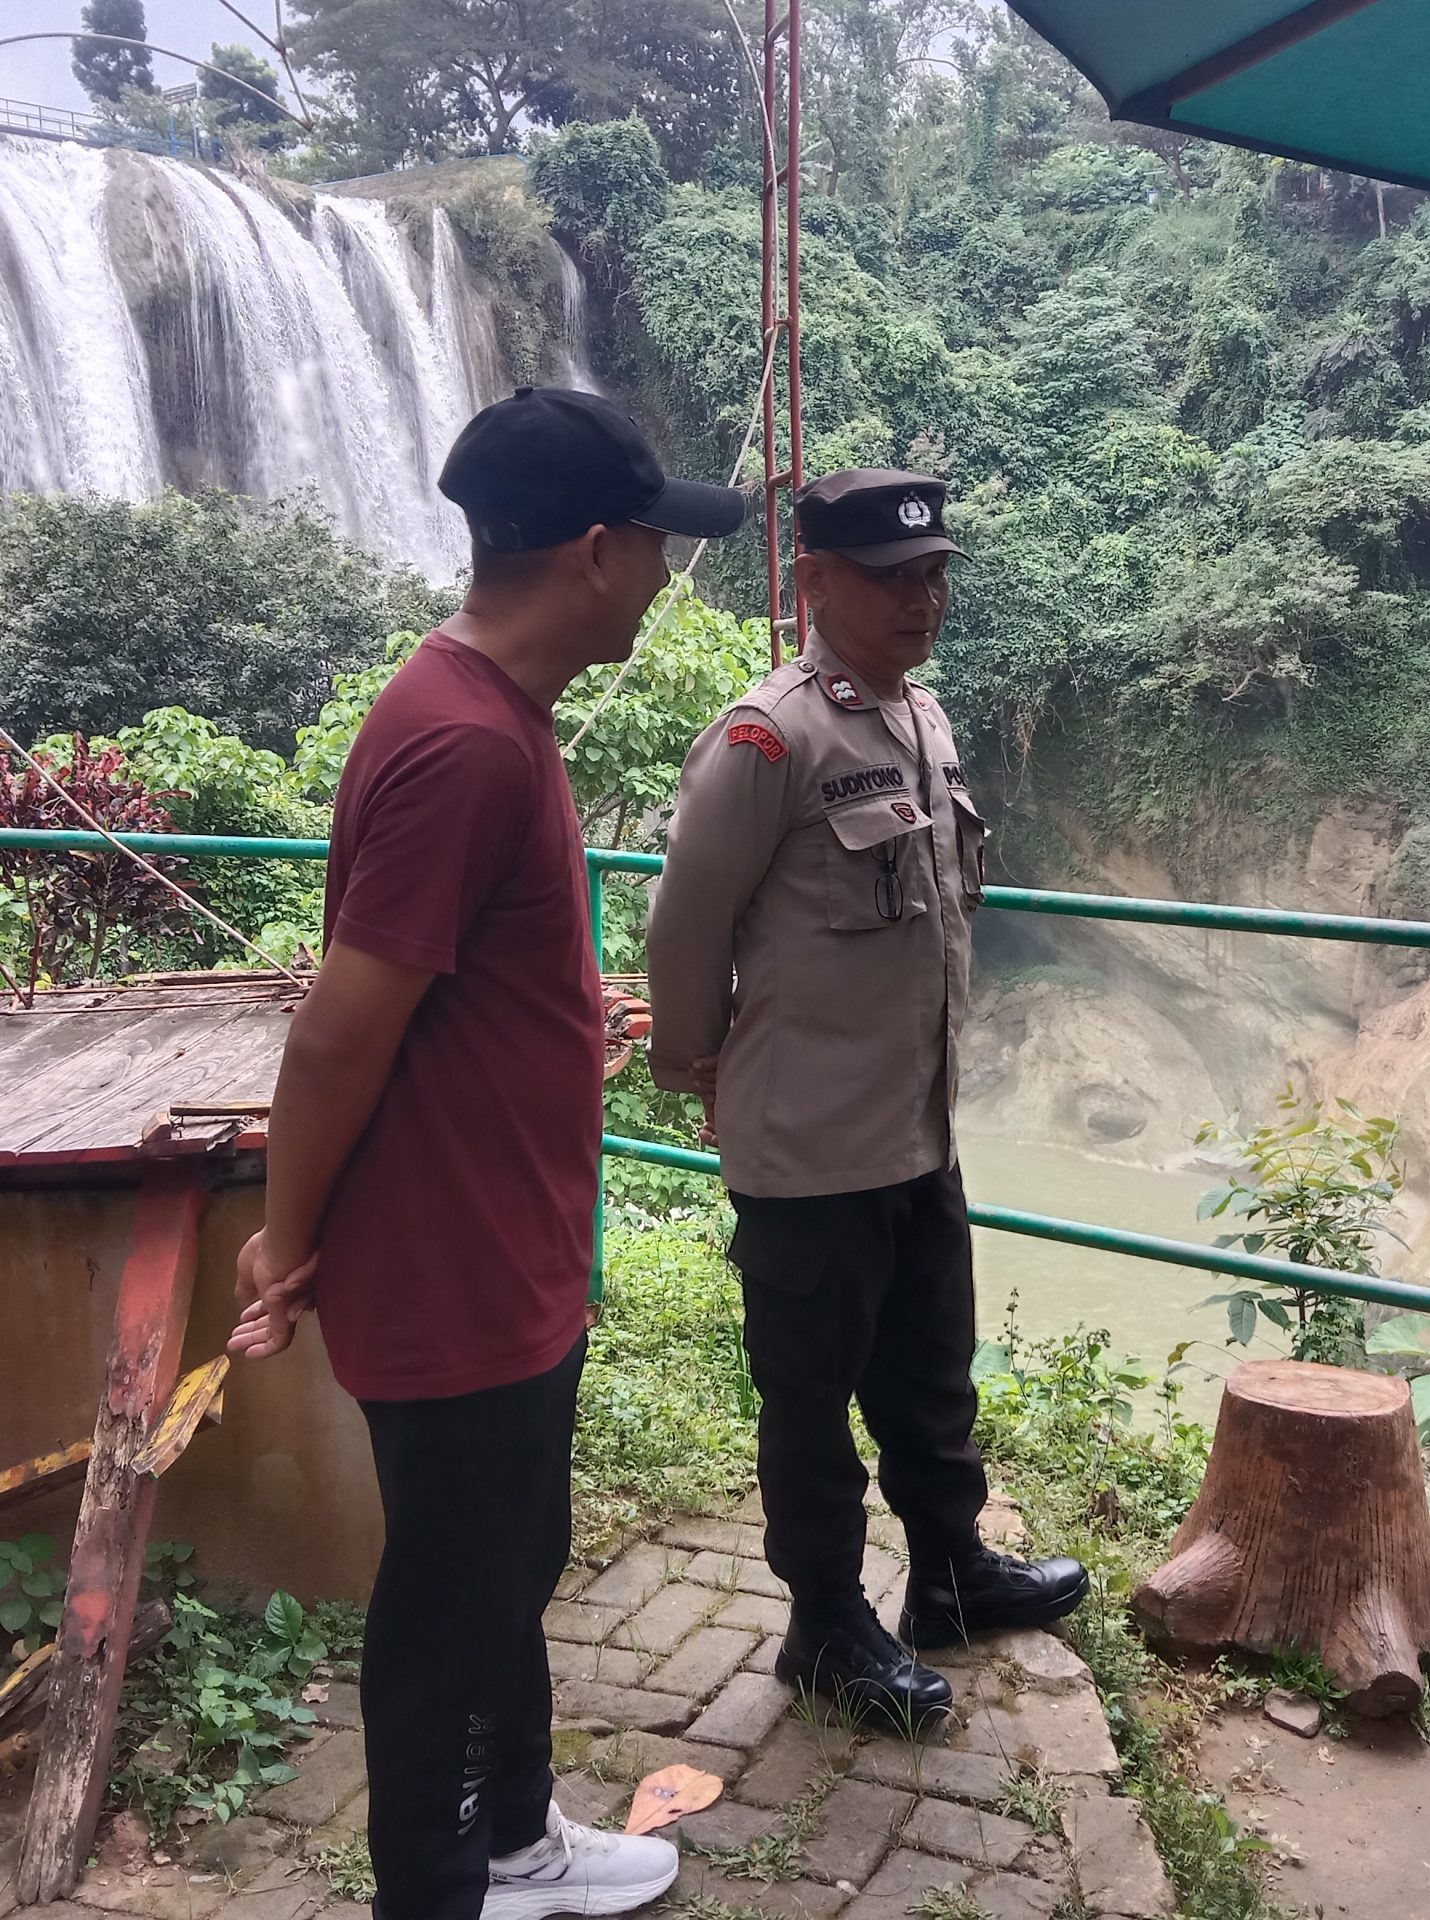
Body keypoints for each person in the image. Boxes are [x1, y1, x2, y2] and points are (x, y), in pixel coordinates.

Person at [226, 387, 744, 1920]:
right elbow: (338, 1034)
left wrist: (573, 1023)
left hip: (504, 1254)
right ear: (594, 551)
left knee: (510, 1560)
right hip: (451, 1269)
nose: (667, 576)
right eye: (657, 546)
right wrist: (284, 1237)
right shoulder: (463, 742)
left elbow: (460, 987)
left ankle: (514, 1838)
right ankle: (437, 1887)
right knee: (453, 1601)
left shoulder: (492, 715)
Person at [644, 467, 1087, 1733]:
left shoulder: (921, 719)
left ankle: (949, 1575)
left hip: (914, 1129)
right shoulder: (767, 738)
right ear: (815, 583)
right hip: (807, 1144)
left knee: (930, 1376)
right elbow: (686, 927)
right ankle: (825, 1626)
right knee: (810, 1405)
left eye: (935, 574)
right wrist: (695, 1061)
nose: (922, 598)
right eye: (894, 579)